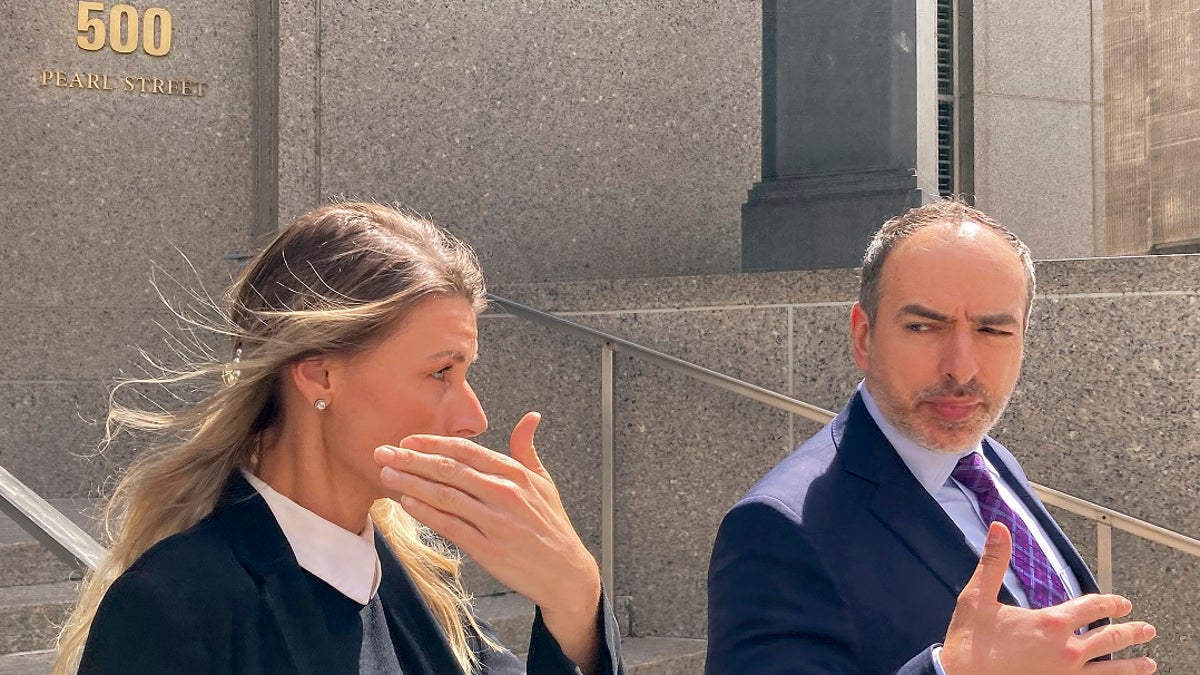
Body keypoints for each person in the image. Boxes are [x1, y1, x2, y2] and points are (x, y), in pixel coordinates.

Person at [53, 202, 625, 675]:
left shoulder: (420, 591)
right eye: (440, 372)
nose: (473, 417)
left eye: (465, 372)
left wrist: (573, 596)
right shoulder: (177, 605)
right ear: (320, 375)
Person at [706, 200, 1158, 675]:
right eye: (923, 326)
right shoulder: (777, 529)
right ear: (864, 337)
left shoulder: (988, 461)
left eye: (992, 329)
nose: (961, 367)